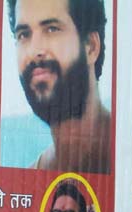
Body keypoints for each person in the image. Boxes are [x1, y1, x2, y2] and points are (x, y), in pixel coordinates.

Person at [8, 0, 111, 173]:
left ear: (91, 47)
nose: (34, 51)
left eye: (52, 29)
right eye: (24, 35)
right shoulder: (30, 180)